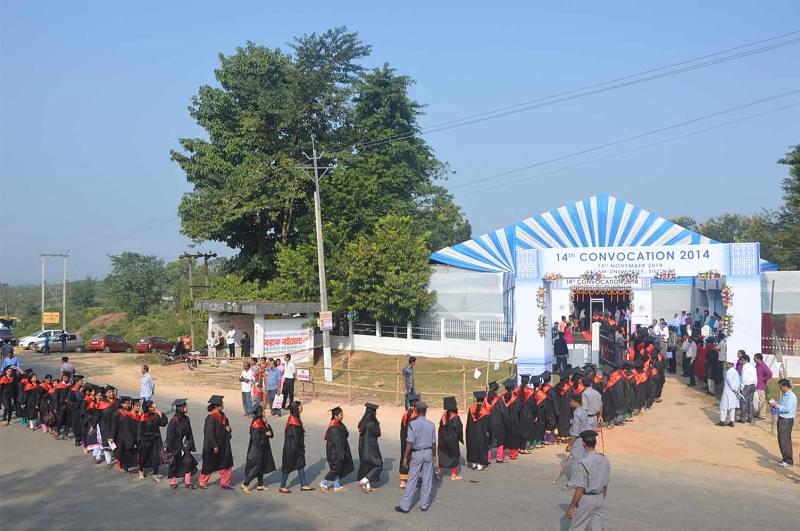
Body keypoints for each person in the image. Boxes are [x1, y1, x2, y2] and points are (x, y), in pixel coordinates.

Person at [395, 401, 436, 514]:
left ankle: (405, 506)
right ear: (426, 411)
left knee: (412, 479)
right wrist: (434, 455)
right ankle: (424, 504)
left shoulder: (412, 425)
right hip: (428, 452)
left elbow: (409, 442)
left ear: (416, 411)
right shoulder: (431, 425)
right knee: (427, 480)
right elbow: (433, 443)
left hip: (417, 453)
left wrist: (405, 457)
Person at [566, 430, 610, 530]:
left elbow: (580, 489)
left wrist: (572, 507)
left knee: (576, 527)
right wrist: (601, 500)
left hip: (587, 499)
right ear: (595, 443)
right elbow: (605, 485)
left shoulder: (583, 462)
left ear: (583, 444)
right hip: (599, 497)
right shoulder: (604, 459)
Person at [279, 401, 314, 493]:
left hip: (296, 447)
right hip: (292, 448)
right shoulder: (293, 422)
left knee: (301, 465)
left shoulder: (295, 418)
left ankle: (304, 484)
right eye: (300, 406)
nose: (301, 408)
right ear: (296, 408)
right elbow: (296, 437)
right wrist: (301, 445)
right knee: (288, 466)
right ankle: (282, 486)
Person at [200, 395, 233, 489]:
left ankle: (225, 482)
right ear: (217, 405)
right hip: (214, 445)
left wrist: (229, 429)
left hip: (224, 443)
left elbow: (227, 427)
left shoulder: (223, 415)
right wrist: (214, 445)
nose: (223, 404)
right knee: (209, 464)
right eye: (222, 403)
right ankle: (202, 482)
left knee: (226, 463)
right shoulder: (211, 418)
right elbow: (209, 433)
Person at [240, 404, 276, 493]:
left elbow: (271, 435)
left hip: (263, 448)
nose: (264, 413)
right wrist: (265, 434)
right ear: (259, 412)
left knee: (262, 466)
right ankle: (245, 484)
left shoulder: (262, 421)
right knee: (257, 467)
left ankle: (260, 484)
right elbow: (256, 439)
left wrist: (267, 424)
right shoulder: (256, 424)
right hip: (257, 449)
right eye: (263, 411)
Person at [321, 406, 354, 493]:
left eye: (342, 414)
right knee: (336, 468)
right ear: (335, 416)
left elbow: (346, 433)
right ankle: (323, 482)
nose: (342, 416)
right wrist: (341, 453)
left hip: (338, 448)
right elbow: (337, 442)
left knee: (338, 467)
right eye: (340, 415)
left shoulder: (338, 423)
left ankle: (336, 486)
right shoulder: (334, 427)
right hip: (334, 451)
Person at [165, 398, 198, 489]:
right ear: (180, 408)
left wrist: (189, 445)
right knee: (174, 464)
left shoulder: (187, 419)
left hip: (184, 445)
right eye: (185, 406)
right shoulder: (173, 421)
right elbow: (170, 437)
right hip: (174, 446)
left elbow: (189, 433)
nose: (187, 407)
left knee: (188, 462)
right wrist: (175, 450)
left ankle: (187, 482)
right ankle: (173, 481)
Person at [769, 379, 796, 467]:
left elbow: (787, 409)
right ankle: (785, 458)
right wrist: (776, 404)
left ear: (785, 386)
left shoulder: (791, 396)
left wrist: (776, 405)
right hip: (782, 418)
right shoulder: (785, 395)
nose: (780, 389)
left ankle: (788, 460)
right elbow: (782, 405)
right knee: (781, 439)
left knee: (785, 440)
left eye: (781, 387)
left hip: (786, 420)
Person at [137, 400, 167, 481]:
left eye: (153, 405)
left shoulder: (156, 416)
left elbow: (164, 423)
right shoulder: (143, 417)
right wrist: (139, 441)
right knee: (144, 456)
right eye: (151, 406)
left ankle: (155, 474)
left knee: (155, 457)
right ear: (147, 408)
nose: (153, 407)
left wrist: (158, 411)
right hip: (145, 440)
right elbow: (139, 430)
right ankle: (140, 471)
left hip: (155, 439)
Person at [356, 402, 383, 493]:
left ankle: (367, 487)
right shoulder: (372, 423)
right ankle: (364, 480)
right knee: (378, 465)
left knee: (368, 466)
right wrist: (378, 424)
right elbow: (378, 434)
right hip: (371, 449)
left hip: (362, 449)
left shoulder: (363, 422)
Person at [437, 396, 463, 481]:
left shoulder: (444, 415)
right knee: (454, 455)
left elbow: (440, 427)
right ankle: (453, 475)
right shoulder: (455, 417)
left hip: (442, 439)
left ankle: (439, 471)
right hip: (452, 440)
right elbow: (459, 429)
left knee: (442, 454)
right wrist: (460, 438)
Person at [114, 396, 139, 473]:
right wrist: (111, 436)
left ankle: (128, 464)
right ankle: (123, 465)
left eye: (129, 403)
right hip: (120, 434)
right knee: (123, 451)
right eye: (126, 403)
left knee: (128, 451)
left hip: (130, 434)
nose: (128, 405)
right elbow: (114, 425)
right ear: (121, 404)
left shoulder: (132, 413)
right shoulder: (118, 412)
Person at [466, 391, 490, 470]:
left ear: (476, 399)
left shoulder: (471, 409)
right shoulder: (485, 411)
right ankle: (480, 464)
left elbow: (469, 422)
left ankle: (474, 463)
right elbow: (488, 424)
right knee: (481, 446)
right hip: (481, 433)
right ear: (483, 400)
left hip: (472, 432)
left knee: (473, 445)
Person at [718, 361, 739, 427]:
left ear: (730, 364)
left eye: (726, 364)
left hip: (729, 391)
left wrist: (734, 389)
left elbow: (730, 382)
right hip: (734, 392)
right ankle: (732, 421)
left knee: (723, 406)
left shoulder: (729, 372)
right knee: (732, 407)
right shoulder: (735, 371)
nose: (725, 365)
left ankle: (722, 421)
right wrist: (736, 390)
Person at [753, 353, 773, 419]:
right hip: (757, 385)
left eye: (755, 358)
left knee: (762, 400)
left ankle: (762, 415)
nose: (753, 359)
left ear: (758, 358)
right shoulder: (757, 366)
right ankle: (758, 413)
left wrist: (763, 380)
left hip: (761, 386)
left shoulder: (763, 365)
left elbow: (770, 373)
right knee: (757, 400)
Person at [739, 353, 757, 423]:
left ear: (745, 360)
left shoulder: (745, 367)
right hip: (752, 385)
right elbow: (756, 377)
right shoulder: (753, 366)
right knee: (750, 402)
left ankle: (743, 418)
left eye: (742, 360)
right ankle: (751, 418)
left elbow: (744, 378)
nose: (741, 362)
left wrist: (742, 387)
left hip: (746, 385)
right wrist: (755, 385)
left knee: (743, 402)